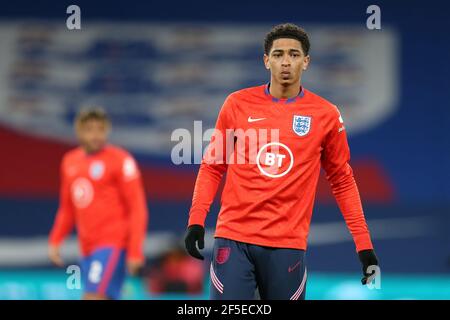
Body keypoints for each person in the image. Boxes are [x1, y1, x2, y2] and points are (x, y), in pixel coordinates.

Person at [184, 23, 379, 300]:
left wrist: (364, 244)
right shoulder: (237, 104)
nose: (286, 61)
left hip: (287, 246)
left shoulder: (325, 115)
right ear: (266, 60)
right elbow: (213, 166)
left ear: (306, 61)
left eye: (294, 54)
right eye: (277, 55)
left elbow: (343, 180)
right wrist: (196, 221)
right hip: (234, 238)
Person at [48, 107, 148, 300]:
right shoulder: (69, 161)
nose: (95, 135)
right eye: (89, 129)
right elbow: (68, 207)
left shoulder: (121, 160)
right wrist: (55, 240)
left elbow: (137, 208)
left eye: (100, 129)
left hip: (112, 243)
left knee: (92, 296)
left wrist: (135, 250)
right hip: (87, 247)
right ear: (79, 131)